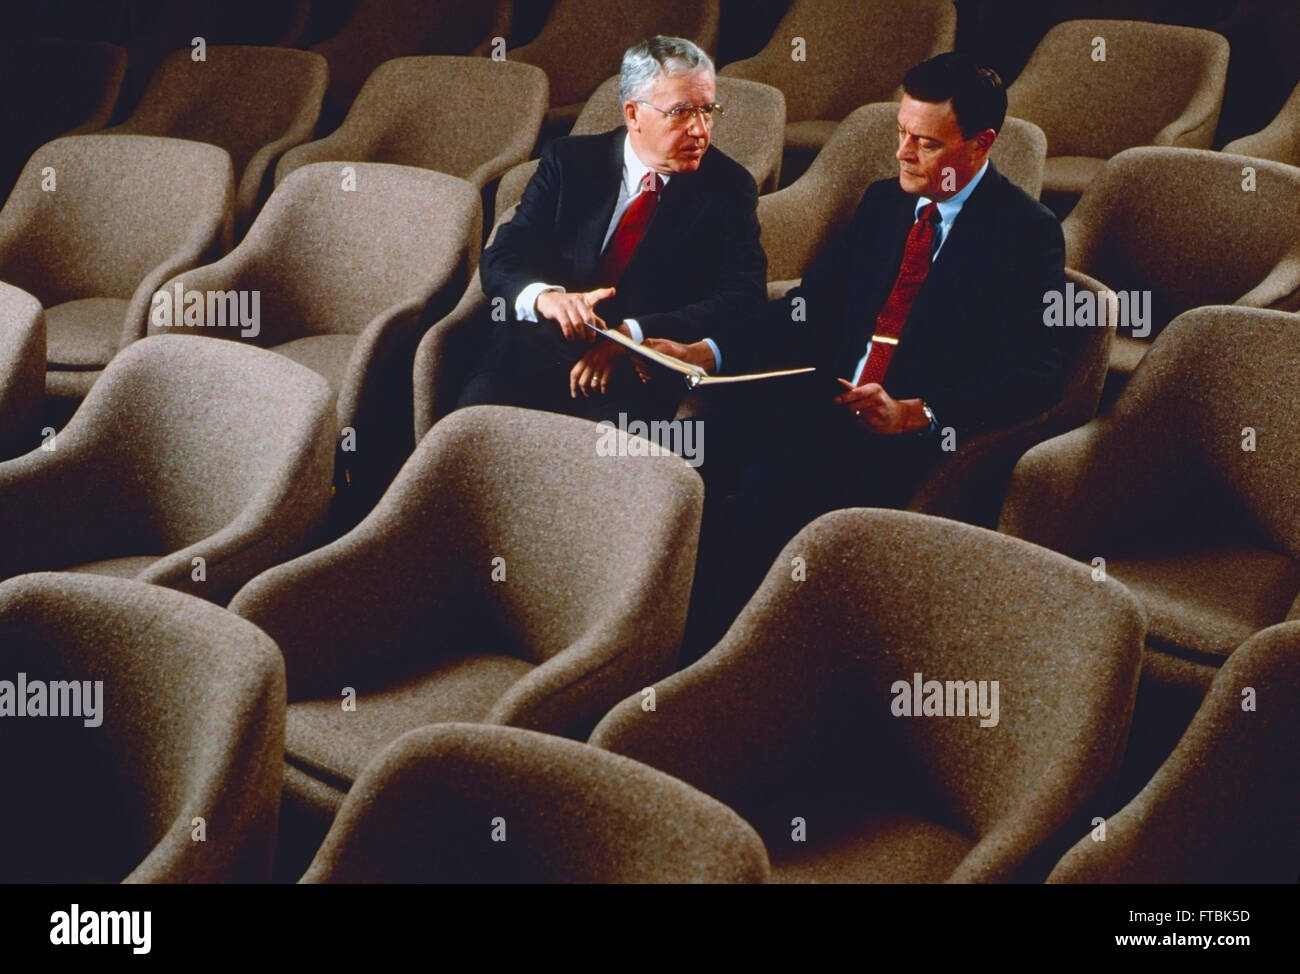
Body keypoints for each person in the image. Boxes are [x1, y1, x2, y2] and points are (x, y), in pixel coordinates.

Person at [653, 52, 1067, 655]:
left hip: (905, 434)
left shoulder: (1025, 233)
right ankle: (655, 630)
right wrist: (709, 350)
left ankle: (720, 659)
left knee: (767, 488)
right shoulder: (885, 203)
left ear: (980, 145)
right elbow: (810, 309)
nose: (902, 153)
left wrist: (916, 412)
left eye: (924, 143)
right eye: (902, 133)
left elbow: (1038, 374)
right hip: (827, 397)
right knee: (684, 454)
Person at [455, 35, 766, 424]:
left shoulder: (728, 187)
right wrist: (546, 298)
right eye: (682, 112)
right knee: (472, 432)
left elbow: (743, 294)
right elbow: (503, 256)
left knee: (599, 466)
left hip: (637, 367)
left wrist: (631, 333)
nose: (700, 130)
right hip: (536, 347)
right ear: (633, 114)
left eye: (708, 110)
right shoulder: (569, 162)